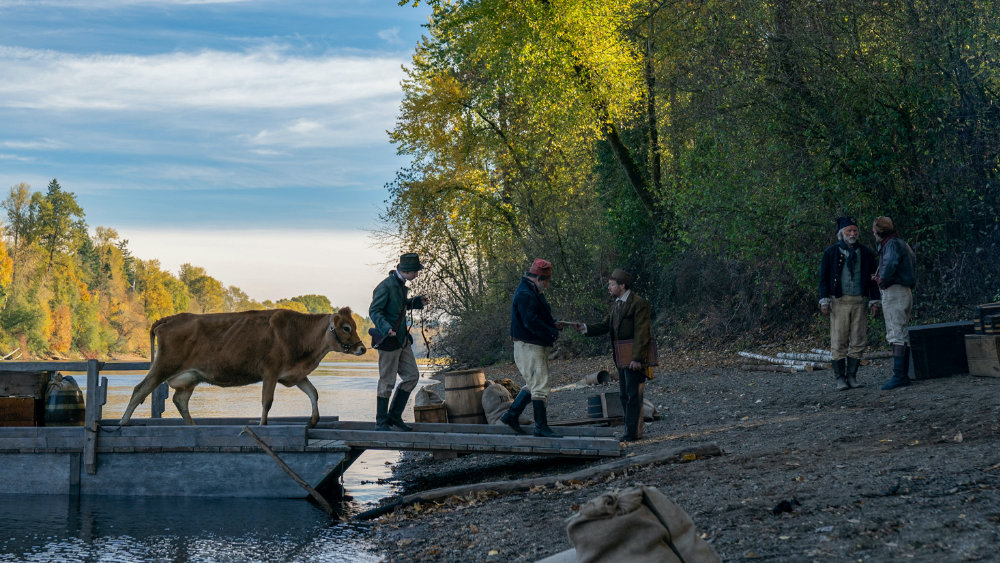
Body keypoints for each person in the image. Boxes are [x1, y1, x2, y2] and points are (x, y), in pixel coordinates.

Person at [572, 269, 653, 443]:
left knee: (633, 395)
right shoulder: (617, 304)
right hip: (622, 359)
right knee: (625, 395)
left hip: (634, 359)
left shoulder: (639, 303)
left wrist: (637, 358)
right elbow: (605, 325)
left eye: (611, 284)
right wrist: (584, 327)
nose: (608, 287)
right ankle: (630, 430)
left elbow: (642, 333)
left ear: (622, 286)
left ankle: (633, 433)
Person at [499, 258, 563, 438]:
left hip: (531, 344)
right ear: (538, 278)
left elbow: (537, 317)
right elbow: (531, 322)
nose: (547, 285)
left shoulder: (530, 291)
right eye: (546, 281)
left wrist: (552, 324)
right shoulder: (526, 294)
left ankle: (511, 415)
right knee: (540, 386)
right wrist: (552, 331)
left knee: (534, 384)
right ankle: (540, 428)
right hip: (529, 345)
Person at [818, 216, 881, 390]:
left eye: (855, 231)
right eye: (849, 231)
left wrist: (875, 301)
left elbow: (873, 279)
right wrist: (824, 301)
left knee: (859, 339)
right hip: (839, 301)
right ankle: (840, 378)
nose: (852, 234)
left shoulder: (866, 253)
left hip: (859, 301)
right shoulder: (830, 253)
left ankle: (852, 376)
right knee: (838, 340)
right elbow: (823, 279)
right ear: (842, 233)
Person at [369, 252, 429, 431]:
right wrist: (386, 327)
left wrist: (416, 302)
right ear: (407, 271)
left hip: (402, 340)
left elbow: (399, 306)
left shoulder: (400, 285)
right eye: (416, 271)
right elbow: (374, 311)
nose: (417, 274)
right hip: (388, 340)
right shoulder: (385, 286)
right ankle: (381, 422)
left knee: (412, 377)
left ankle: (394, 417)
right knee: (387, 381)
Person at [872, 217, 916, 390]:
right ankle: (902, 375)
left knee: (896, 333)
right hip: (904, 290)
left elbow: (890, 265)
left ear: (878, 231)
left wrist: (881, 281)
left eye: (874, 231)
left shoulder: (890, 245)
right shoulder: (901, 243)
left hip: (895, 292)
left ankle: (899, 376)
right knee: (902, 332)